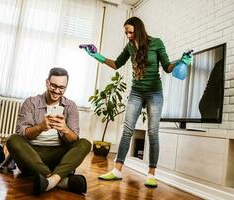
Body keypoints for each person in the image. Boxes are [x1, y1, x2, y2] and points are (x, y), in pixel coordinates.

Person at [81, 16, 192, 187]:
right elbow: (117, 64)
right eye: (126, 32)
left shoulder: (156, 43)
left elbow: (167, 67)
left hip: (155, 93)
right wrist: (97, 55)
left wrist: (181, 62)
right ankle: (117, 170)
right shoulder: (130, 47)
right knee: (127, 130)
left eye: (131, 32)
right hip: (136, 92)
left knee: (153, 132)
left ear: (138, 30)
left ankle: (152, 174)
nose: (128, 35)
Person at [6, 67, 91, 195]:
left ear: (66, 87)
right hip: (32, 155)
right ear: (47, 83)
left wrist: (65, 130)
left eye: (62, 87)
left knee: (85, 143)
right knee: (13, 139)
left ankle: (50, 180)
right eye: (53, 86)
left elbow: (74, 138)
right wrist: (40, 127)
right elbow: (23, 133)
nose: (57, 91)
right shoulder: (31, 102)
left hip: (58, 156)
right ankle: (60, 180)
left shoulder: (71, 106)